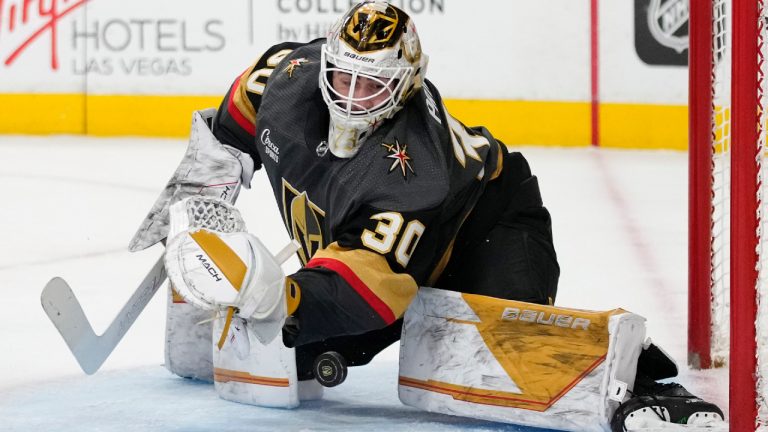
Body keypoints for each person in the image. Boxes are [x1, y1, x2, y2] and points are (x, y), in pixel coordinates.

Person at [130, 1, 723, 430]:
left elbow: (368, 292)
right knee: (300, 351)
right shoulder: (284, 74)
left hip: (487, 225)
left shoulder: (417, 171)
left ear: (407, 83)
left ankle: (639, 377)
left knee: (502, 358)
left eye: (374, 85)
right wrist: (204, 207)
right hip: (376, 243)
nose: (352, 96)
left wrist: (275, 298)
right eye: (343, 75)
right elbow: (226, 130)